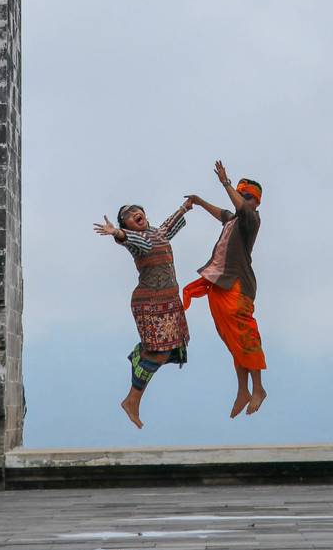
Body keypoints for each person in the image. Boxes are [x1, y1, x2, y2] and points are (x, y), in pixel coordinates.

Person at [94, 199, 191, 428]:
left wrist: (186, 207)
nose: (136, 213)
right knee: (158, 353)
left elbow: (169, 225)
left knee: (169, 352)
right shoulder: (138, 240)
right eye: (129, 214)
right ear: (127, 225)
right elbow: (132, 240)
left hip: (169, 302)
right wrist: (117, 232)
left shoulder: (157, 233)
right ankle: (132, 399)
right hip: (149, 303)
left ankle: (136, 372)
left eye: (138, 210)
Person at [182, 161, 266, 418]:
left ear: (256, 202)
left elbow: (237, 207)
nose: (241, 199)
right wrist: (198, 200)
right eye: (241, 195)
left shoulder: (251, 218)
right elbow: (221, 213)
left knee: (245, 335)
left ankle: (259, 388)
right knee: (232, 339)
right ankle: (243, 390)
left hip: (237, 285)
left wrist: (225, 183)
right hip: (220, 283)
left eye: (246, 196)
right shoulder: (234, 219)